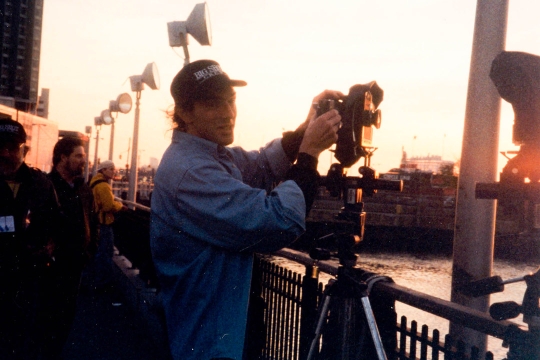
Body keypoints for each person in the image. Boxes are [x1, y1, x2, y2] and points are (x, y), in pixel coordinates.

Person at [150, 59, 342, 360]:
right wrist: (309, 154)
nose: (228, 114)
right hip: (209, 344)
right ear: (185, 113)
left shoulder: (207, 156)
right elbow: (277, 220)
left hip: (219, 331)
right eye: (214, 104)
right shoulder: (191, 171)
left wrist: (303, 132)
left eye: (231, 101)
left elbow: (262, 164)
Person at [0, 118, 60, 359]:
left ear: (23, 150)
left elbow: (57, 221)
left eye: (12, 148)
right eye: (0, 147)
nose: (5, 153)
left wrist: (50, 244)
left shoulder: (40, 184)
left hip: (29, 278)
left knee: (25, 339)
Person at [45, 136, 99, 358]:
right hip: (50, 267)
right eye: (78, 156)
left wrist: (89, 252)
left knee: (66, 316)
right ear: (62, 158)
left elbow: (93, 222)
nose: (83, 161)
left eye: (84, 156)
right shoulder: (46, 186)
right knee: (47, 317)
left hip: (76, 264)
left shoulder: (83, 188)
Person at [89, 159, 126, 291]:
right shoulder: (103, 186)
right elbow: (108, 206)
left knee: (99, 253)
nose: (113, 171)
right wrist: (120, 205)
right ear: (103, 170)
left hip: (95, 222)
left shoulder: (94, 183)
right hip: (104, 223)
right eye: (111, 169)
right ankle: (104, 283)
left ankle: (97, 281)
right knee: (105, 252)